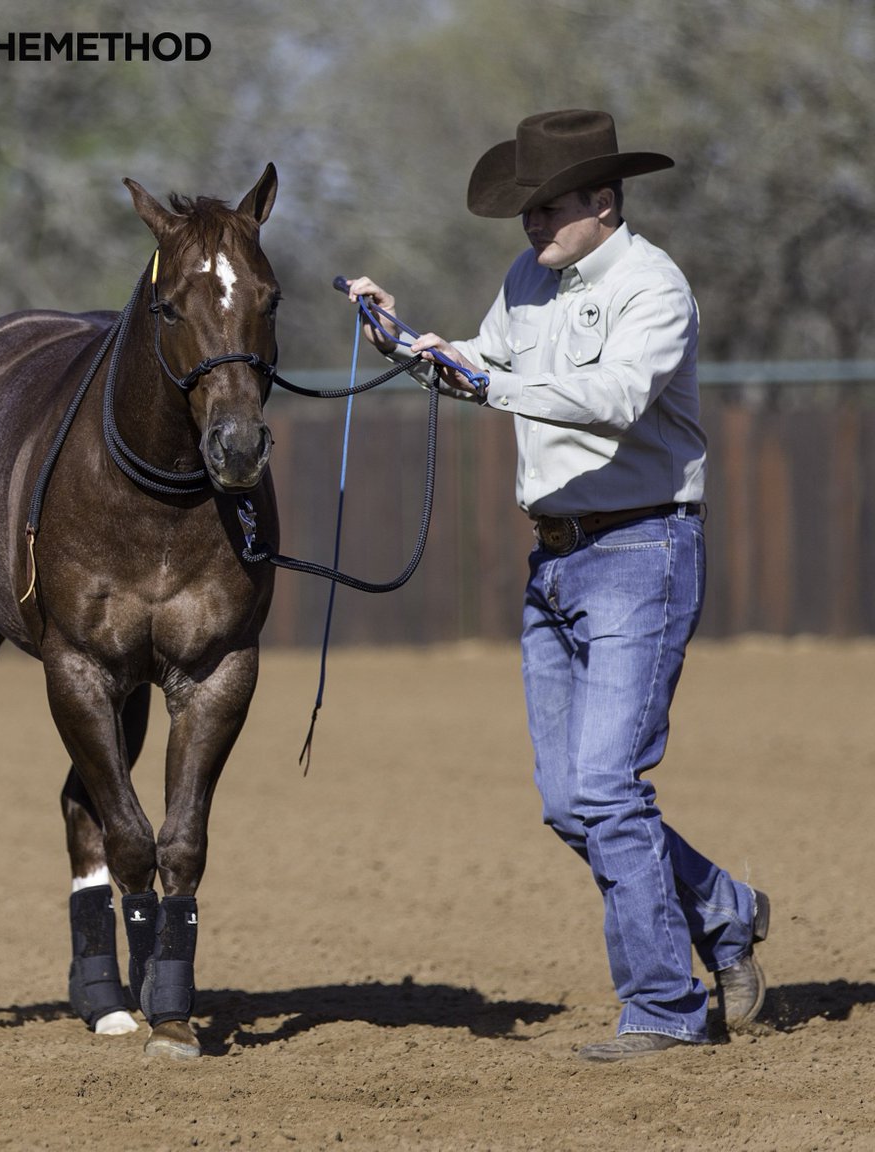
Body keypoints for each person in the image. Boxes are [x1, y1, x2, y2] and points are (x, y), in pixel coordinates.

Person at [344, 109, 769, 1062]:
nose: (534, 227)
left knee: (609, 792)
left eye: (549, 208)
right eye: (527, 212)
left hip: (642, 552)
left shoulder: (653, 287)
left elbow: (617, 398)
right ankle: (725, 907)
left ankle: (662, 1008)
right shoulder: (527, 280)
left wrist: (487, 383)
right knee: (572, 803)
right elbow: (487, 365)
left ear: (604, 202)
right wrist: (406, 343)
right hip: (557, 560)